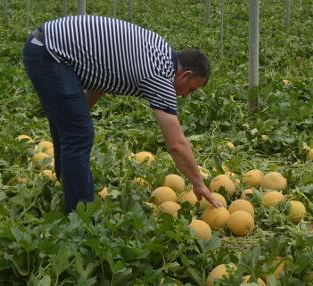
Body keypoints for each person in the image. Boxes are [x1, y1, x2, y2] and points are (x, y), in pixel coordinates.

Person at [22, 14, 221, 213]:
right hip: (50, 53)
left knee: (72, 127)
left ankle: (67, 183)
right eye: (191, 89)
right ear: (185, 75)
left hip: (45, 45)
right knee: (79, 133)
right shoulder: (160, 74)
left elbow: (102, 76)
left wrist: (75, 112)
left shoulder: (160, 51)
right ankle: (80, 216)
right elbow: (177, 144)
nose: (186, 96)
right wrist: (198, 183)